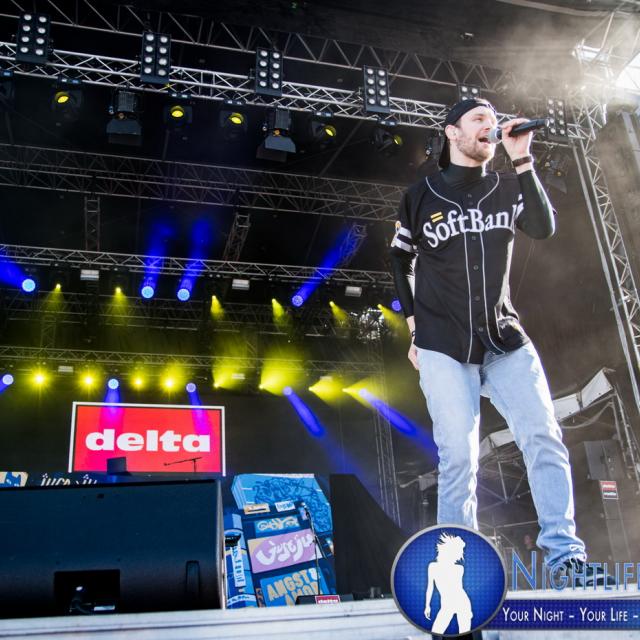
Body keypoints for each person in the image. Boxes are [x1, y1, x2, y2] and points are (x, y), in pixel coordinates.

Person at [390, 97, 605, 587]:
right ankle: (461, 572)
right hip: (443, 344)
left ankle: (565, 558)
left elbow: (543, 228)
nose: (490, 126)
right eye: (479, 119)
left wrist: (522, 159)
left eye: (493, 119)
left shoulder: (508, 187)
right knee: (459, 457)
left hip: (504, 339)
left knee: (543, 436)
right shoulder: (420, 195)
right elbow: (399, 260)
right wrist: (414, 328)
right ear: (452, 132)